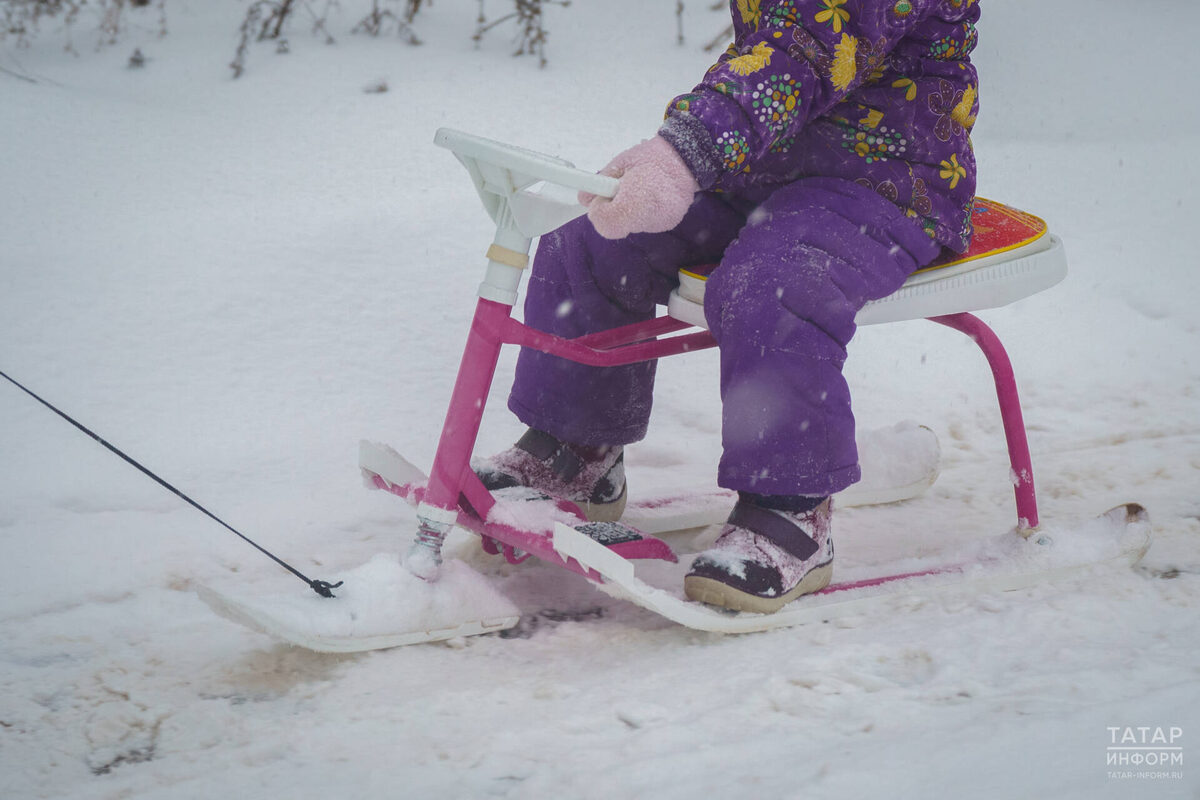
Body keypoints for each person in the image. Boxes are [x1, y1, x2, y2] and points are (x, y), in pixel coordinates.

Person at [477, 0, 981, 613]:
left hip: (884, 182)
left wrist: (683, 151)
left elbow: (802, 51)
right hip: (764, 165)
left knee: (774, 289)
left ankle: (791, 506)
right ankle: (578, 446)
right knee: (589, 243)